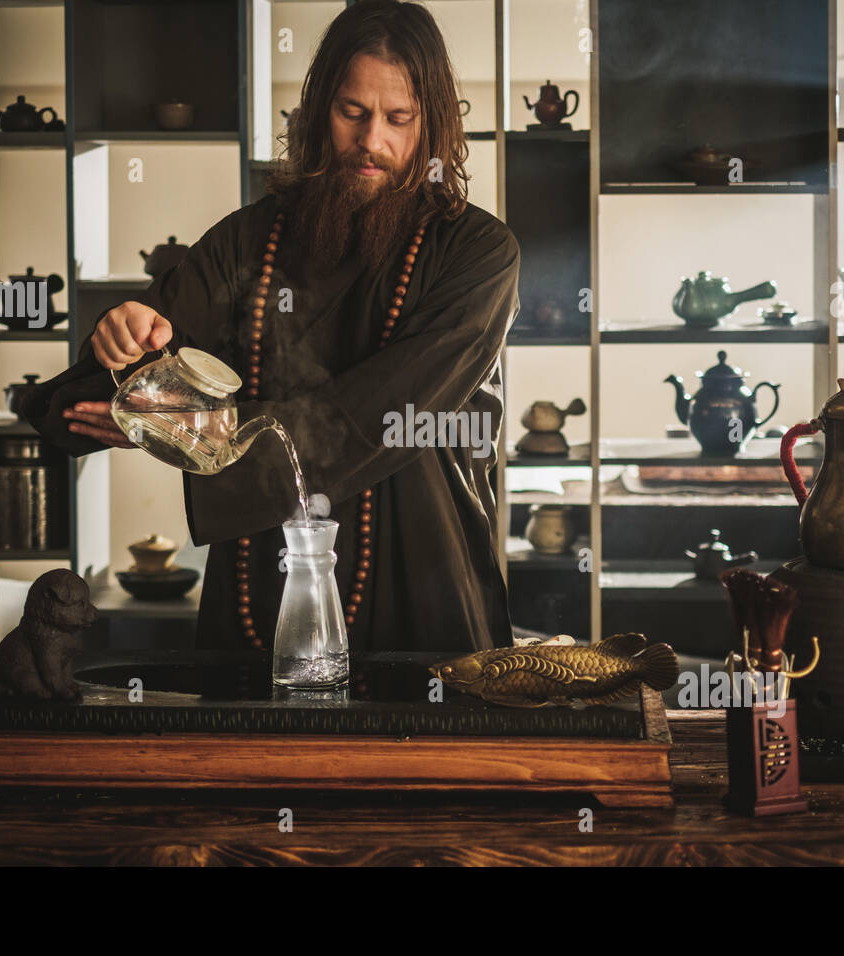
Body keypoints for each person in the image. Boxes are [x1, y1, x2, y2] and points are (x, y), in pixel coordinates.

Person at [27, 0, 520, 653]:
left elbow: (380, 417)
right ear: (318, 112)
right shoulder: (247, 241)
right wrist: (125, 339)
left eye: (398, 119)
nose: (372, 140)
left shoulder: (478, 253)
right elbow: (113, 386)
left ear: (432, 128)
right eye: (352, 113)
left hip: (425, 572)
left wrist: (204, 431)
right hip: (262, 578)